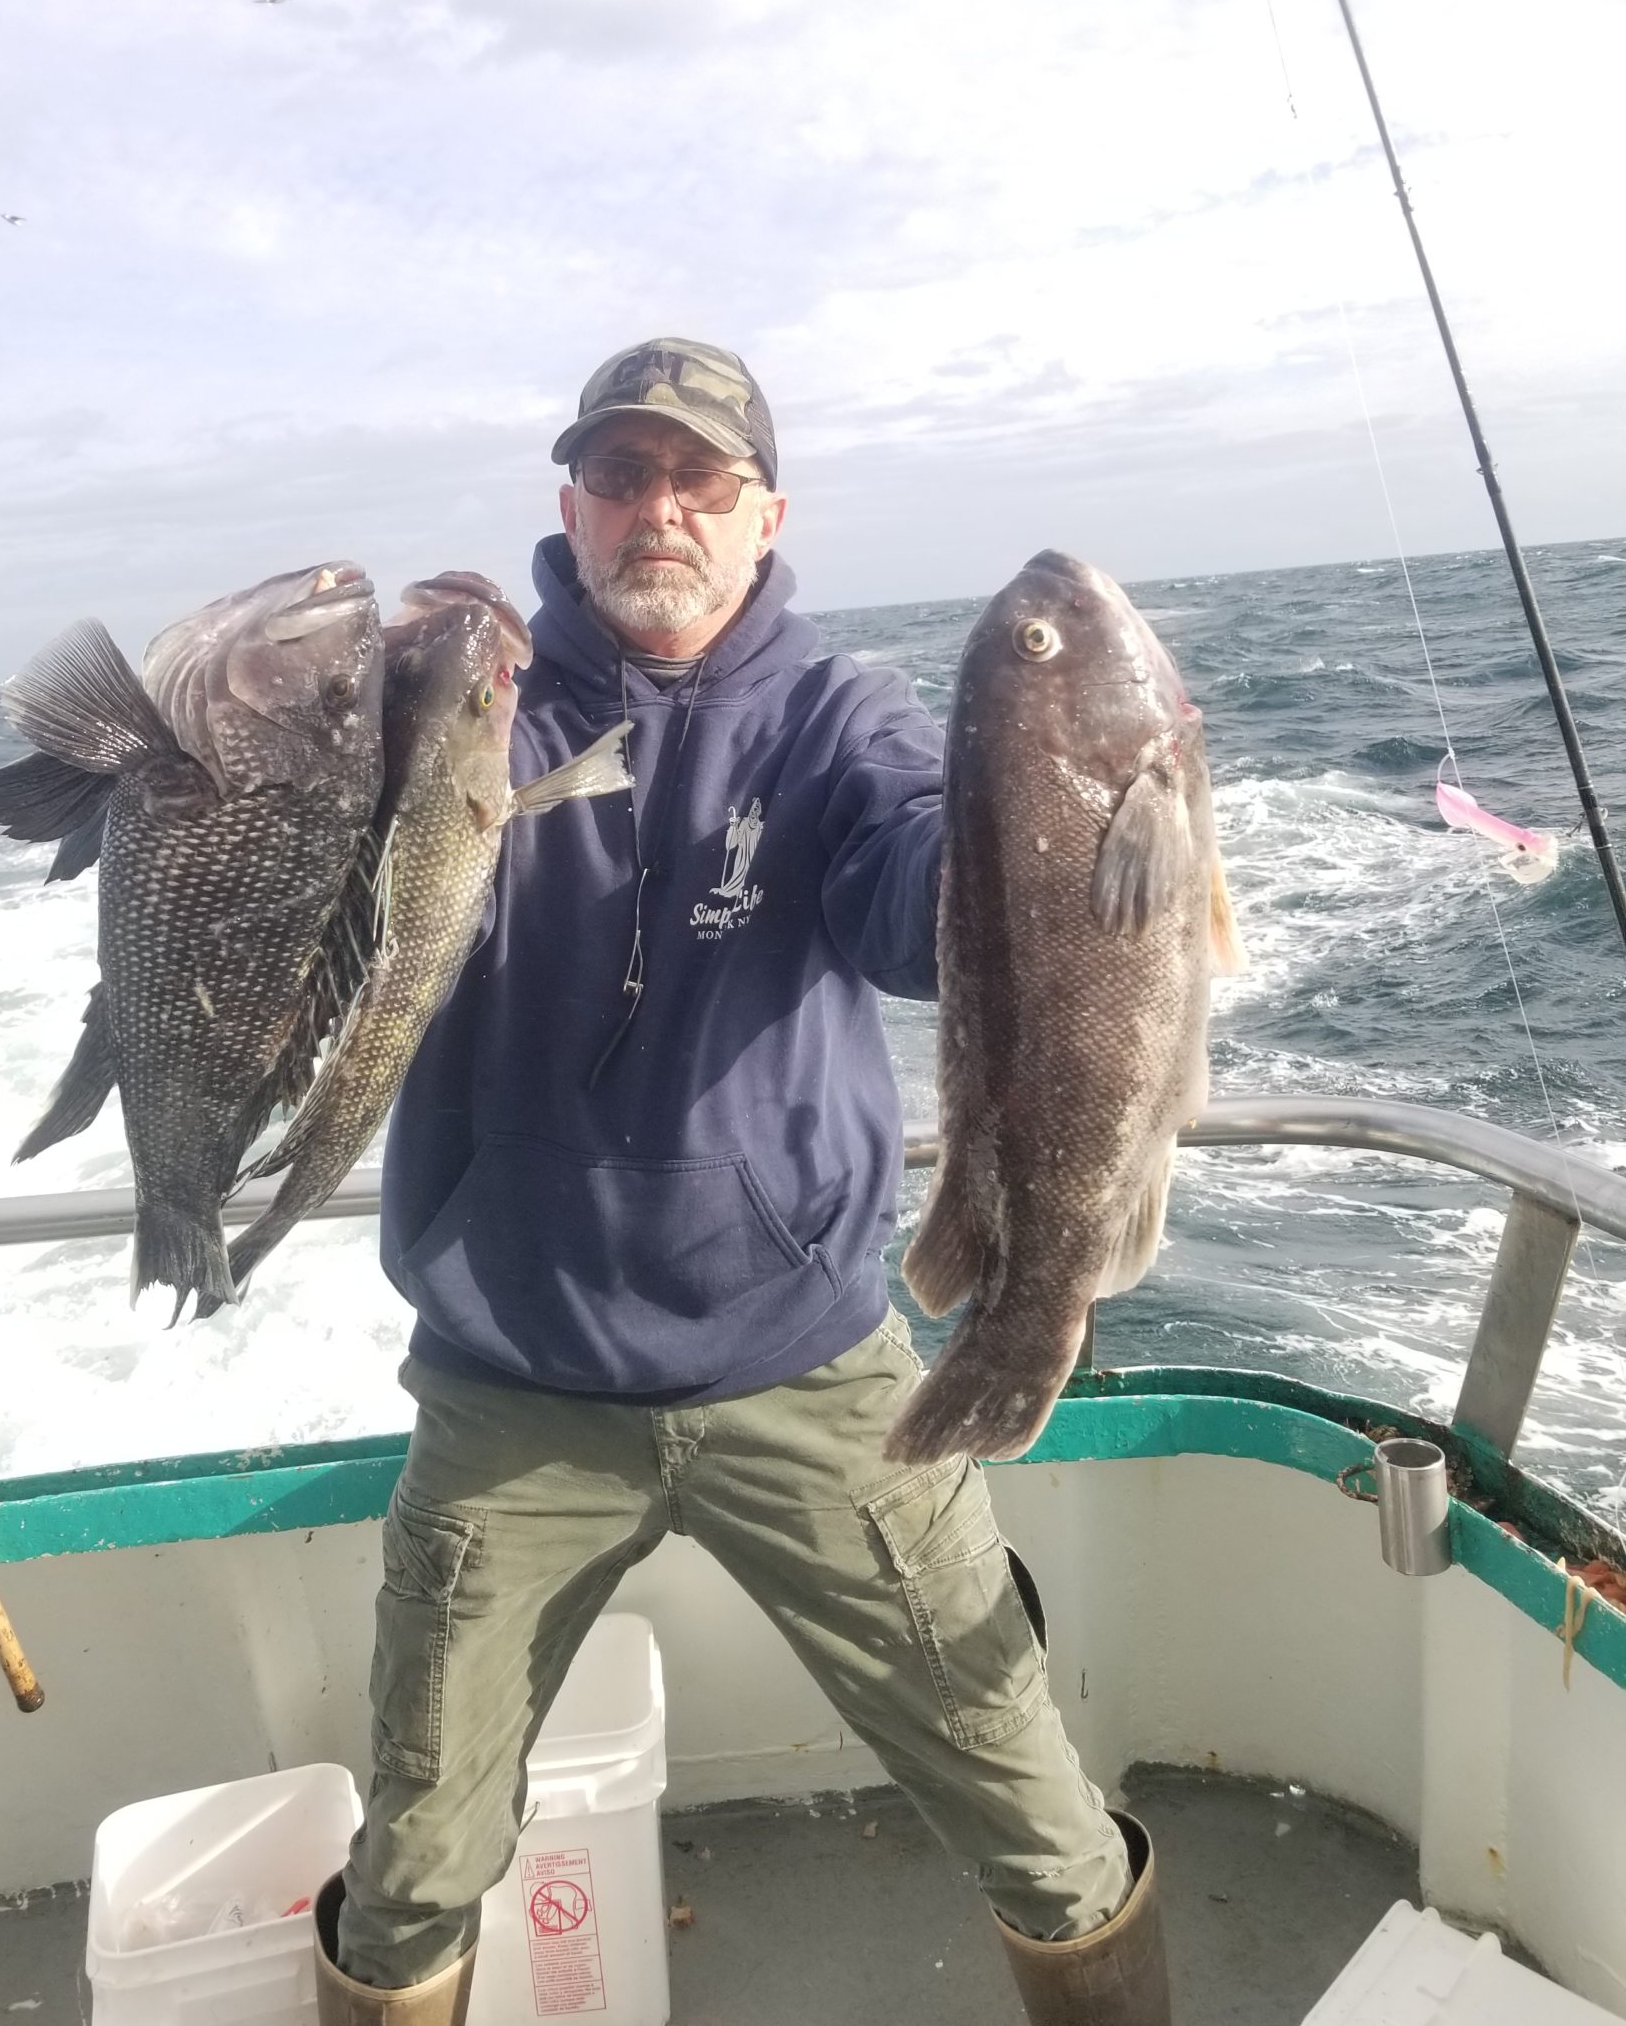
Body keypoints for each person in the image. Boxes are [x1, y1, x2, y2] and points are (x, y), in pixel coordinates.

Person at [314, 340, 1168, 2025]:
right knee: (417, 1853)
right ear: (568, 502)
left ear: (766, 513)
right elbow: (322, 919)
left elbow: (921, 892)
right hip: (512, 1385)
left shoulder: (839, 719)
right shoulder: (466, 718)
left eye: (701, 480)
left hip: (812, 1362)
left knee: (1029, 1794)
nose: (661, 512)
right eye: (622, 475)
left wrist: (1072, 823)